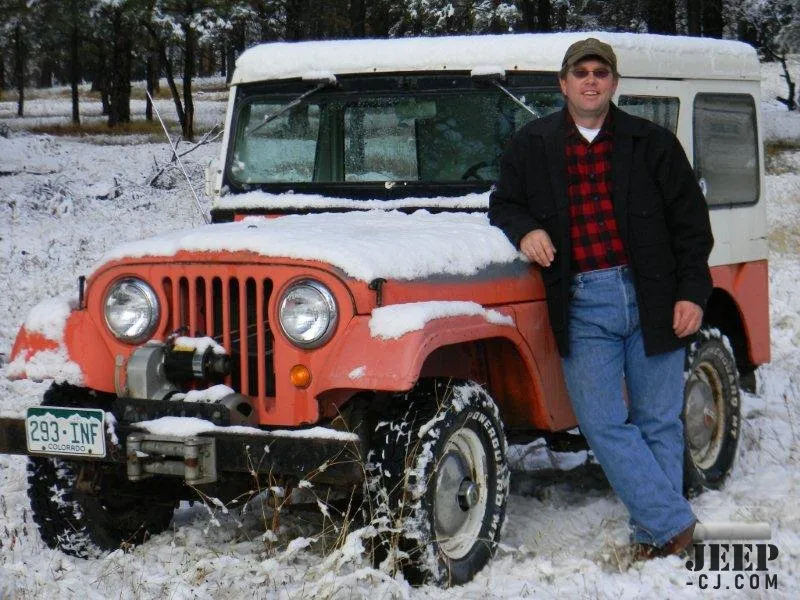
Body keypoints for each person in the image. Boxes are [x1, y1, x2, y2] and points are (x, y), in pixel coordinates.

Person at [488, 38, 713, 558]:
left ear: (613, 83)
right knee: (601, 421)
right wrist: (525, 231)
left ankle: (654, 535)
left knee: (657, 419)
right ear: (563, 83)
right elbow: (504, 204)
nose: (591, 81)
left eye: (601, 73)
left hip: (653, 295)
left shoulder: (651, 143)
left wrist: (693, 295)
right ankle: (675, 524)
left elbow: (691, 227)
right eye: (581, 72)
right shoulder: (531, 144)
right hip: (584, 301)